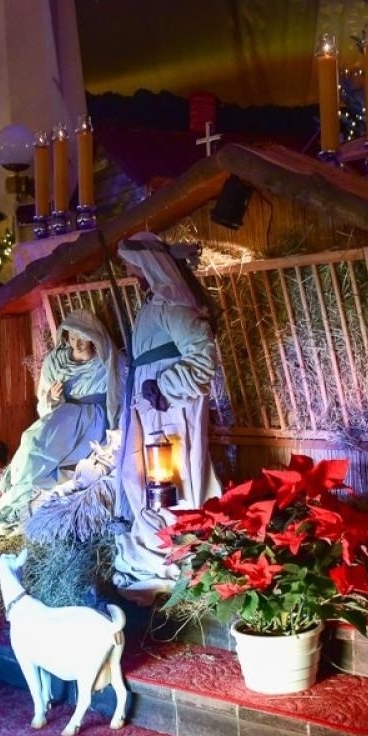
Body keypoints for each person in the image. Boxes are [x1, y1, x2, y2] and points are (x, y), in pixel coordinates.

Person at [113, 233, 222, 599]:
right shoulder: (153, 305)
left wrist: (165, 387)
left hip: (169, 408)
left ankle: (171, 554)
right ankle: (155, 553)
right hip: (150, 406)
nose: (128, 271)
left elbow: (203, 358)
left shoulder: (173, 305)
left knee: (174, 483)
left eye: (131, 263)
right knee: (142, 479)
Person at [0, 309, 123, 525]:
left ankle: (27, 494)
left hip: (91, 420)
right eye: (73, 338)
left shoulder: (106, 362)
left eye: (83, 338)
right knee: (32, 440)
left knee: (41, 445)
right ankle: (22, 492)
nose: (77, 344)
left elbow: (119, 393)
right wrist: (52, 397)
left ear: (94, 338)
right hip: (65, 414)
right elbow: (44, 403)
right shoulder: (56, 361)